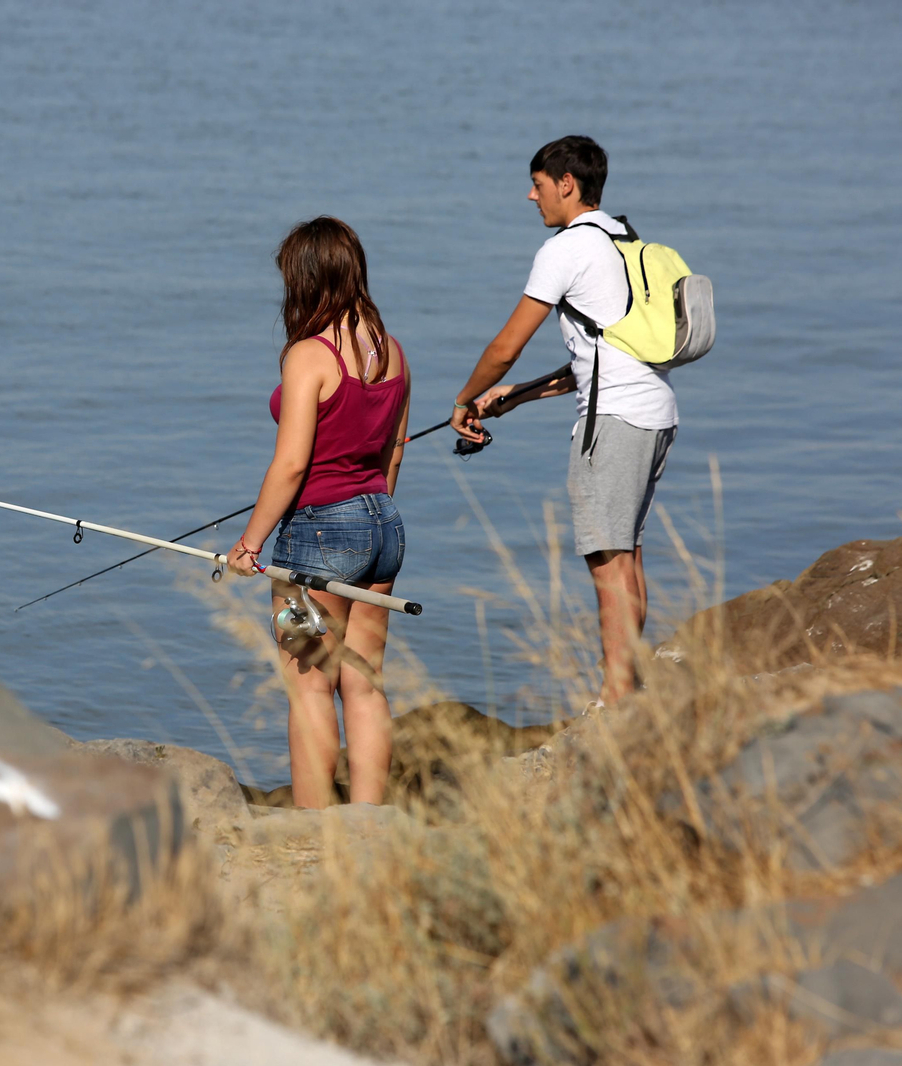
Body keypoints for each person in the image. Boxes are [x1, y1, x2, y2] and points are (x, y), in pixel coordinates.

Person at [449, 136, 677, 705]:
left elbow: (506, 345)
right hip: (655, 414)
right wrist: (517, 397)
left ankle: (616, 699)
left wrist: (464, 397)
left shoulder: (565, 248)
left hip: (613, 421)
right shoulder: (621, 236)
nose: (531, 196)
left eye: (538, 184)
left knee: (606, 562)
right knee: (626, 554)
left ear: (566, 184)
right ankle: (629, 686)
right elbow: (596, 357)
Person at [226, 217, 411, 809]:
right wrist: (371, 509)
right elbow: (394, 451)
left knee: (308, 685)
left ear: (305, 278)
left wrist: (250, 544)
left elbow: (289, 466)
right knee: (364, 684)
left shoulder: (310, 355)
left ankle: (312, 832)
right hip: (384, 528)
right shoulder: (392, 351)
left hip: (318, 538)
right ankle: (367, 822)